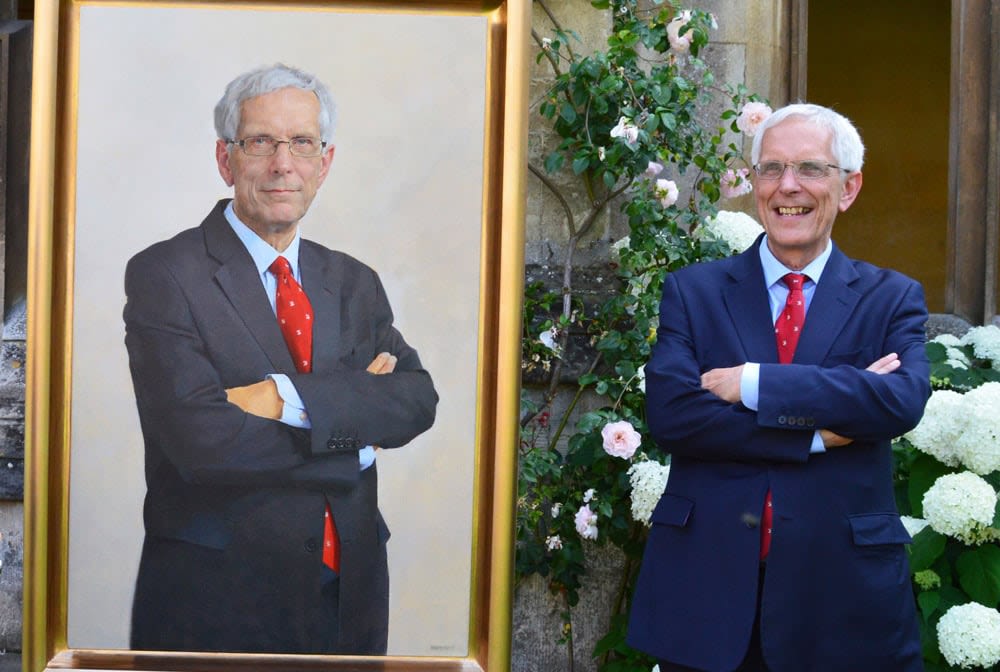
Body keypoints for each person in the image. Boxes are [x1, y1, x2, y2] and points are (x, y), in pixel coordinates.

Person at [123, 63, 437, 655]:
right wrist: (352, 435)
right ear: (226, 159)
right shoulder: (165, 274)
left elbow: (417, 401)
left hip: (351, 594)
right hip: (218, 600)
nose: (282, 164)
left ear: (325, 162)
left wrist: (281, 399)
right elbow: (200, 442)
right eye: (261, 141)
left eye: (302, 143)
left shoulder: (354, 281)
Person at [626, 103, 929, 671]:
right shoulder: (693, 292)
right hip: (708, 596)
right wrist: (815, 433)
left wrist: (754, 382)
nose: (788, 186)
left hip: (842, 600)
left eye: (810, 168)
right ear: (755, 182)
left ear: (848, 187)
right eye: (772, 168)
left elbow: (899, 401)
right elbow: (673, 416)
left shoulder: (891, 298)